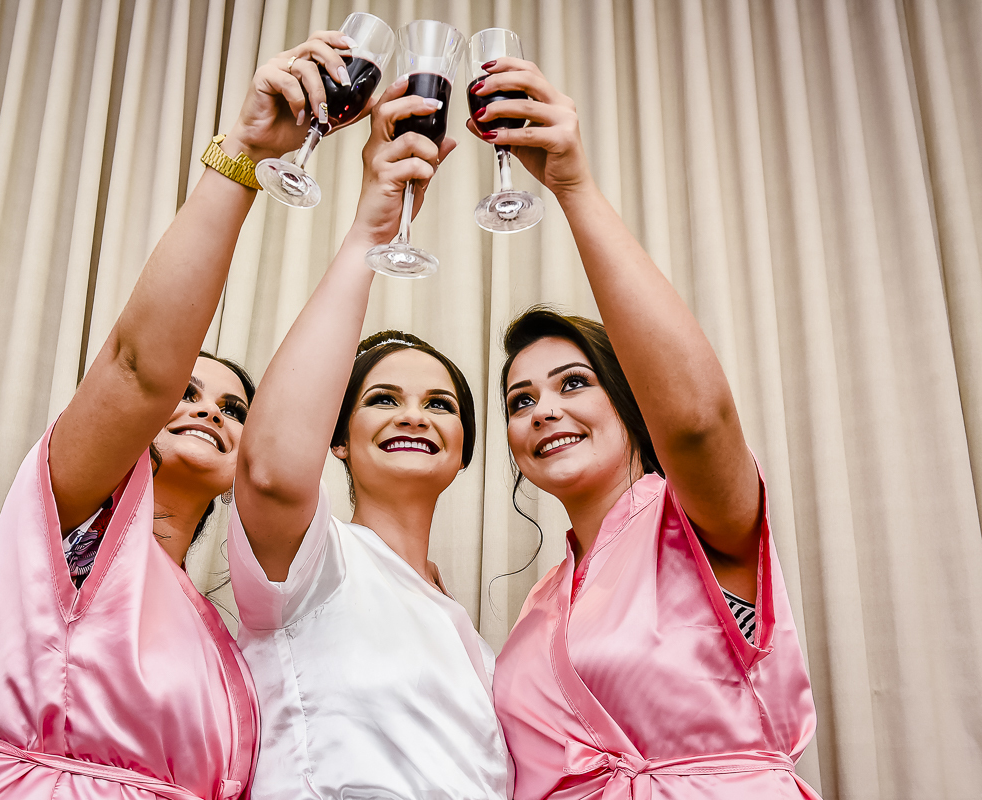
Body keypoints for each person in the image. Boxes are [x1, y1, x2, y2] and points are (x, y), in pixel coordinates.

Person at [0, 31, 358, 800]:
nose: (206, 411)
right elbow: (138, 371)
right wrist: (247, 154)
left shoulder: (226, 635)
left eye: (235, 408)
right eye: (188, 395)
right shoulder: (76, 525)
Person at [472, 58, 821, 798]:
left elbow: (696, 423)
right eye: (520, 400)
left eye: (574, 384)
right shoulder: (543, 605)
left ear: (631, 404)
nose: (544, 412)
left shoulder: (692, 517)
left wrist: (572, 188)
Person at [226, 78, 508, 800]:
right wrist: (370, 231)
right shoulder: (317, 562)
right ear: (339, 439)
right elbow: (269, 472)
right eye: (383, 399)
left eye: (439, 403)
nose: (414, 415)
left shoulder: (474, 637)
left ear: (464, 446)